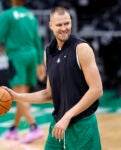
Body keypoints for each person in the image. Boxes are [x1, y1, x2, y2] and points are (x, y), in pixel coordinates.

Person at [3, 6, 103, 149]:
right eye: (59, 25)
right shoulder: (48, 53)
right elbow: (49, 94)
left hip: (82, 127)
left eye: (67, 23)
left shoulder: (81, 49)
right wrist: (16, 96)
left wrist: (68, 116)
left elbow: (97, 90)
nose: (64, 28)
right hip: (58, 126)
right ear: (51, 26)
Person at [0, 0, 45, 143]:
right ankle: (14, 128)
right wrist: (40, 63)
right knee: (22, 95)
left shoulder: (7, 15)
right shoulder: (31, 15)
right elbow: (38, 41)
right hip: (32, 56)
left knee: (17, 93)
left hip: (17, 57)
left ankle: (34, 127)